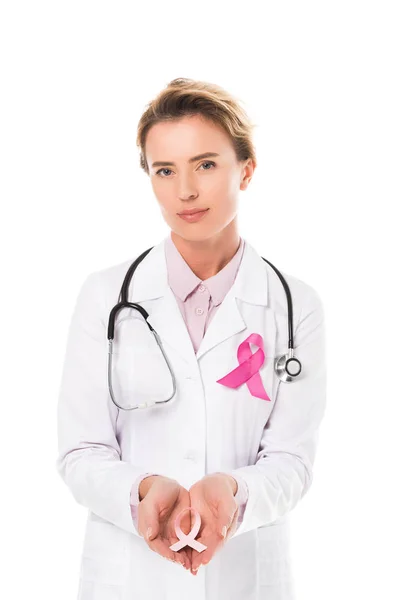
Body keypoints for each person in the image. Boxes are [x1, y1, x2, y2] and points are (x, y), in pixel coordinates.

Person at [56, 77, 327, 600]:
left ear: (246, 170)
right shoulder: (105, 297)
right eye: (165, 170)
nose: (184, 190)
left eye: (205, 164)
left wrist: (233, 493)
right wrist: (141, 493)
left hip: (246, 579)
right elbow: (81, 451)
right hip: (128, 577)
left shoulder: (296, 307)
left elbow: (292, 460)